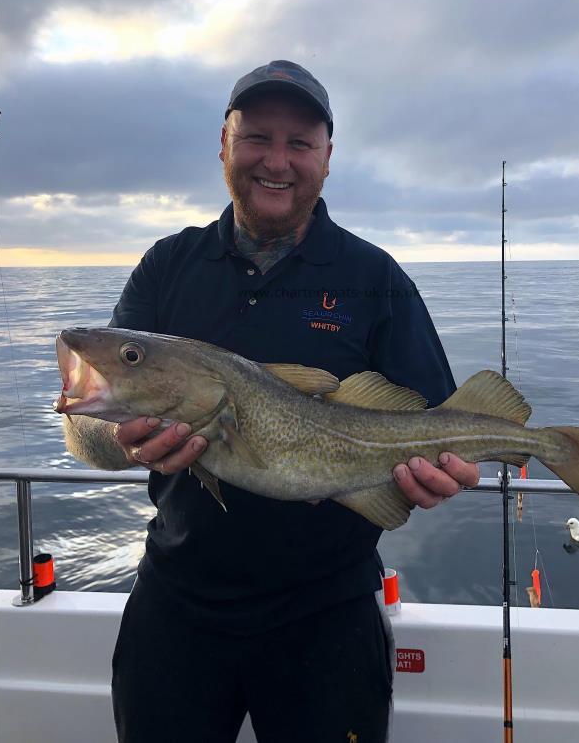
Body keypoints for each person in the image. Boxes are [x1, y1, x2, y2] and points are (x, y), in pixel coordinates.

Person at [63, 60, 480, 743]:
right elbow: (89, 432)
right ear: (224, 144)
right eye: (257, 137)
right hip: (177, 606)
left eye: (300, 143)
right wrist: (123, 442)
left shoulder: (374, 278)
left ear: (327, 158)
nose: (277, 162)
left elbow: (439, 430)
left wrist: (449, 473)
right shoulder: (167, 266)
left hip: (328, 616)